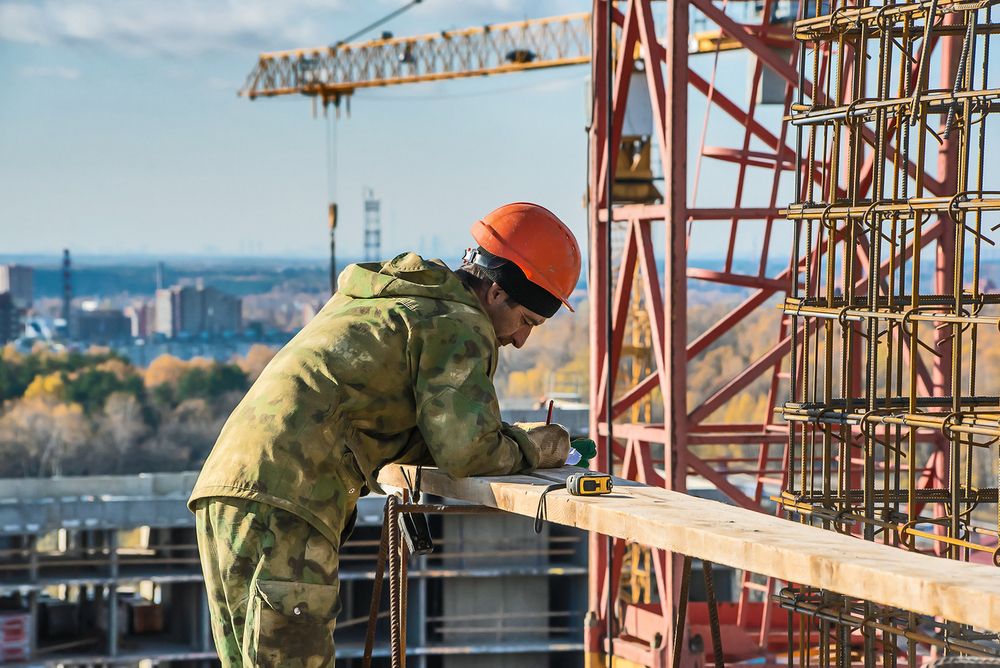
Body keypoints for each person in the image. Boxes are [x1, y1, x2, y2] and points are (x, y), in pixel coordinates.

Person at [188, 202, 594, 667]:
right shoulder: (457, 324)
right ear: (498, 292)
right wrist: (539, 447)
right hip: (287, 501)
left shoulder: (391, 299)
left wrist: (497, 434)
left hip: (231, 487)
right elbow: (467, 452)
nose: (521, 340)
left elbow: (408, 423)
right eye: (526, 321)